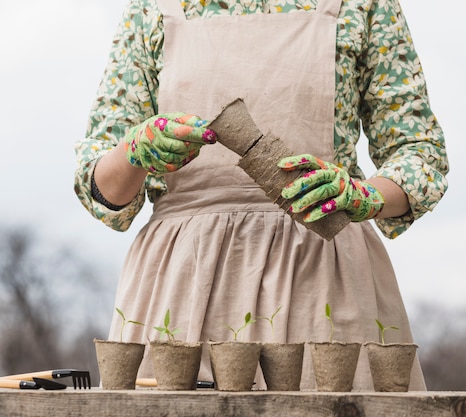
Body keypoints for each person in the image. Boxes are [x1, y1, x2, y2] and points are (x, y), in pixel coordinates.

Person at [74, 0, 448, 390]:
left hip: (325, 282)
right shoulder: (151, 9)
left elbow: (419, 151)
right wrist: (134, 151)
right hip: (183, 288)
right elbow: (104, 192)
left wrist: (364, 195)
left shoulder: (363, 5)